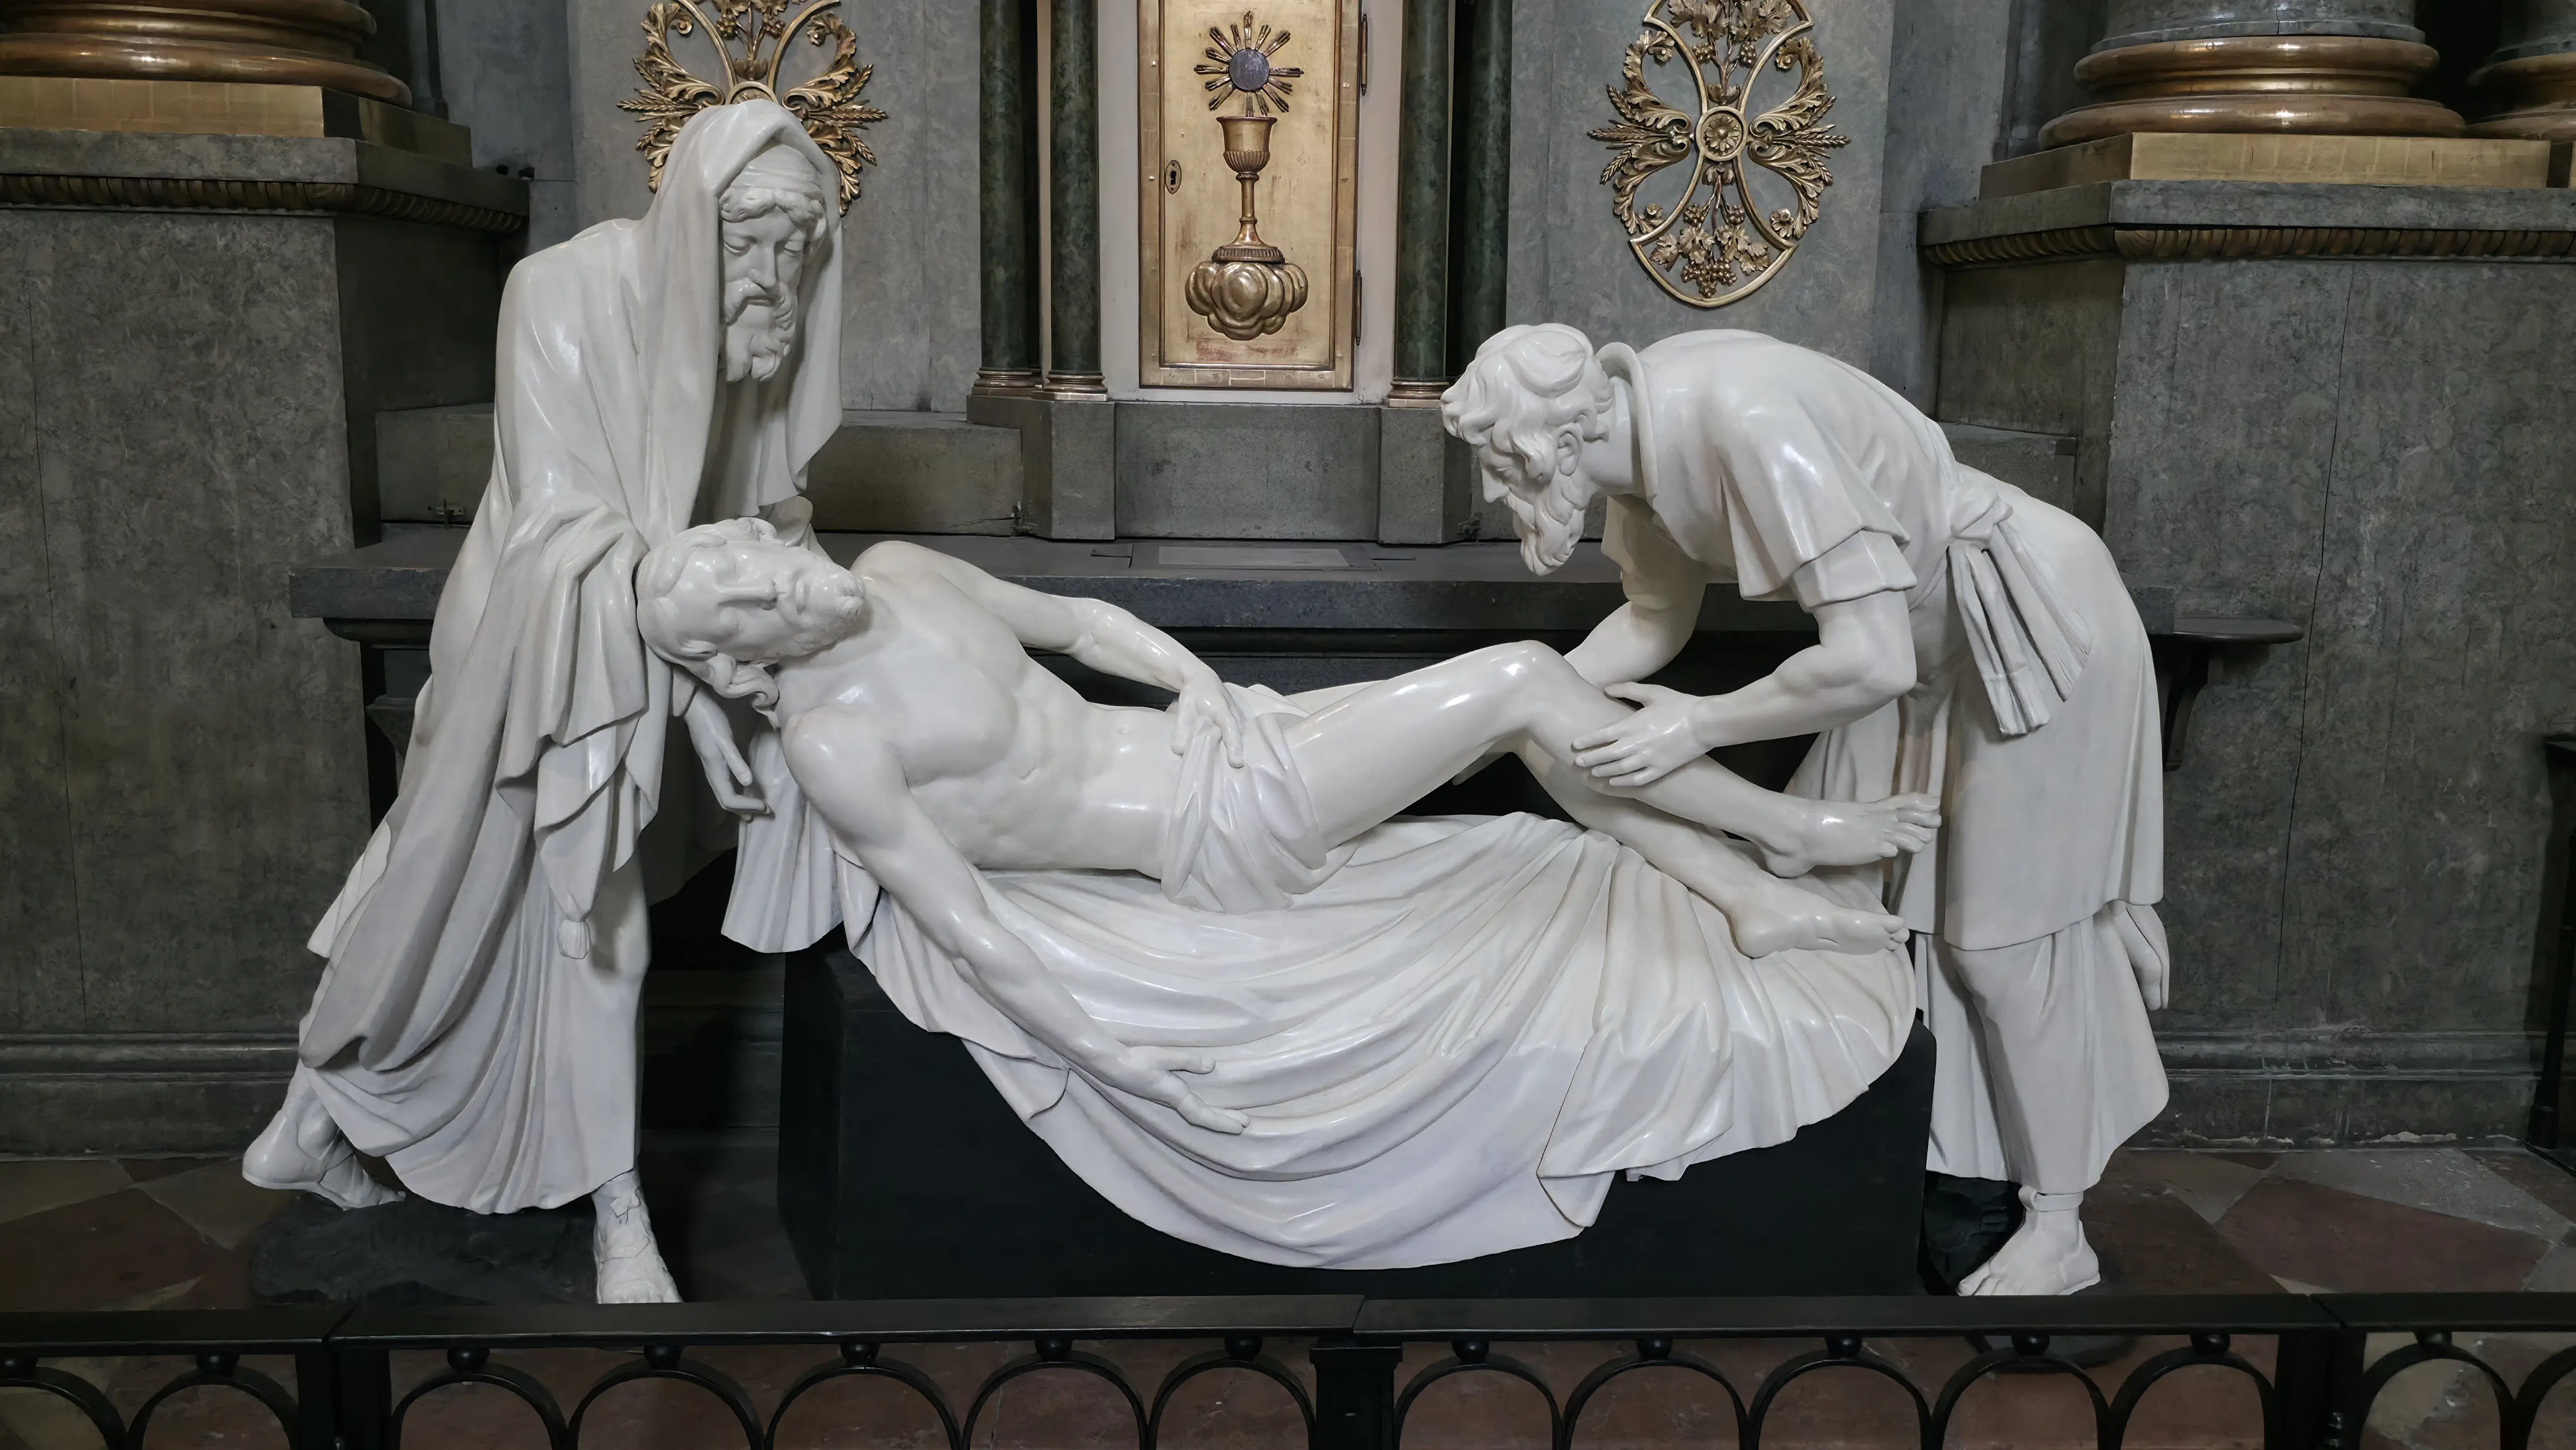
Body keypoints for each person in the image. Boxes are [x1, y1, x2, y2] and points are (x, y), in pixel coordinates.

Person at [629, 519, 1930, 1267]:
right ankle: (1788, 832)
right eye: (761, 603)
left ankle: (1745, 889)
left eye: (766, 554)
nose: (793, 577)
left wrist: (1191, 681)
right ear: (742, 662)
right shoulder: (834, 747)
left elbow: (1079, 624)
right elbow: (967, 929)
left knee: (1529, 718)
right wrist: (1118, 1061)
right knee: (1525, 681)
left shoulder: (900, 570)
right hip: (1214, 827)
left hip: (1229, 741)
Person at [240, 102, 845, 1303]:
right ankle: (620, 1218)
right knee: (560, 915)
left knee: (429, 879)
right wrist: (695, 690)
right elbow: (569, 531)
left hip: (645, 655)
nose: (773, 275)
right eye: (750, 238)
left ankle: (303, 1128)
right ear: (689, 216)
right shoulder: (556, 293)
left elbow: (745, 518)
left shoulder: (748, 336)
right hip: (541, 657)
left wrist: (755, 652)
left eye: (800, 244)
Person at [1442, 325, 2168, 1296]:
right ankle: (1950, 1160)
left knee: (2000, 944)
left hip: (2027, 619)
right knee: (1844, 891)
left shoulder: (1742, 422)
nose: (1494, 492)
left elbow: (1870, 659)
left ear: (1557, 442)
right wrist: (1512, 711)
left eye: (1499, 464)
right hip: (1907, 646)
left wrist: (1699, 725)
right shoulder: (1635, 459)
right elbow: (1655, 622)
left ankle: (2058, 1223)